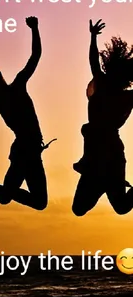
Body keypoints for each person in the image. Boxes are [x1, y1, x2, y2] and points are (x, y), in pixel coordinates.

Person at [0, 16, 56, 210]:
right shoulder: (12, 90)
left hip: (28, 150)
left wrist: (35, 29)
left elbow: (35, 57)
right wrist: (35, 28)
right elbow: (35, 56)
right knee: (33, 201)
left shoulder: (4, 95)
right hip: (25, 151)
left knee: (19, 198)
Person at [72, 19, 133, 216]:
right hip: (96, 154)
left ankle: (107, 181)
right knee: (79, 209)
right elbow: (93, 62)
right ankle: (105, 182)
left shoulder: (125, 95)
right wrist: (92, 38)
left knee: (121, 207)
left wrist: (92, 37)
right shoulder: (103, 84)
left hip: (109, 153)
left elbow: (93, 63)